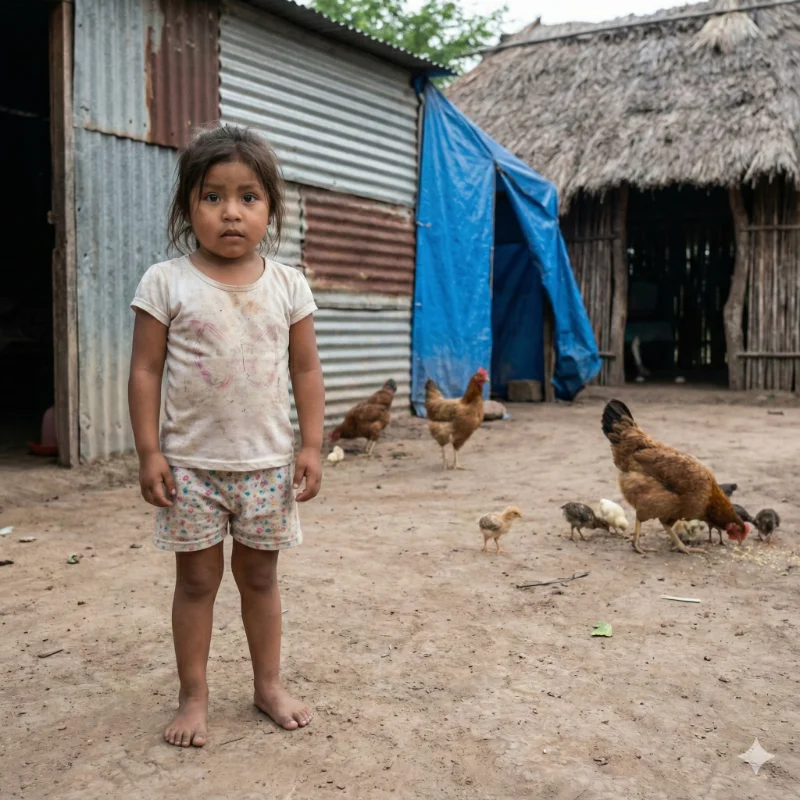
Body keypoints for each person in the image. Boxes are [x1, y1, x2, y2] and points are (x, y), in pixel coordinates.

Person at [128, 125, 324, 747]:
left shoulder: (288, 284)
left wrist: (312, 445)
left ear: (271, 207)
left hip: (266, 465)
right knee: (195, 583)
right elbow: (145, 370)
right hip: (190, 467)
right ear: (188, 206)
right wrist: (149, 451)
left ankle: (268, 686)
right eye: (213, 197)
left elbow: (305, 369)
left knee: (261, 580)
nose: (231, 212)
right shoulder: (166, 282)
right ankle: (194, 696)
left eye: (248, 197)